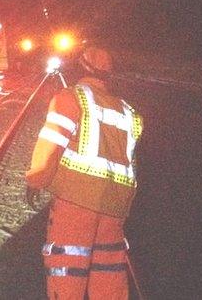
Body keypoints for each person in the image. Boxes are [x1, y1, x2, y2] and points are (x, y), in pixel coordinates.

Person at [25, 47, 143, 300]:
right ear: (108, 75)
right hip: (115, 207)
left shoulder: (71, 98)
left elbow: (51, 144)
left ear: (81, 68)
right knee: (108, 269)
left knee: (67, 266)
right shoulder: (128, 111)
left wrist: (36, 180)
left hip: (76, 203)